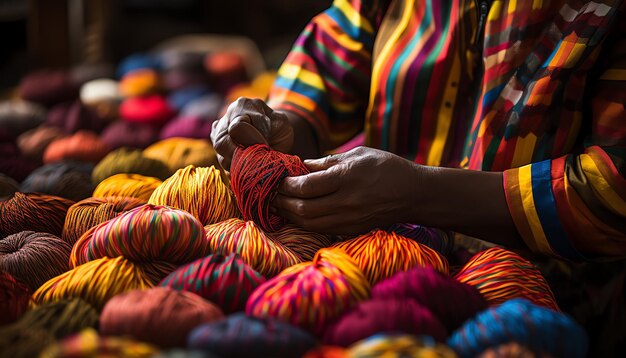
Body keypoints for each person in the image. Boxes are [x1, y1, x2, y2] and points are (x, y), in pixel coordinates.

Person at [212, 1, 625, 352]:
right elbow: (327, 62)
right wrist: (279, 125)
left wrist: (419, 193)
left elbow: (614, 190)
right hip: (385, 271)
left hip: (561, 311)